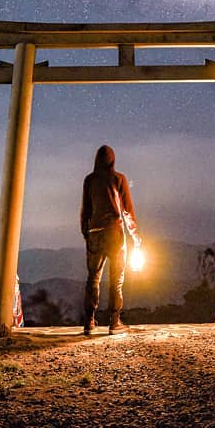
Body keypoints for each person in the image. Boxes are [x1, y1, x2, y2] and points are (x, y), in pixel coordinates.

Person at [80, 144, 141, 335]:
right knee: (116, 279)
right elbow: (127, 210)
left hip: (95, 232)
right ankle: (115, 322)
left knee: (93, 278)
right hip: (114, 232)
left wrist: (86, 233)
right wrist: (135, 234)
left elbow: (85, 210)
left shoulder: (89, 180)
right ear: (113, 160)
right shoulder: (118, 178)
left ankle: (89, 321)